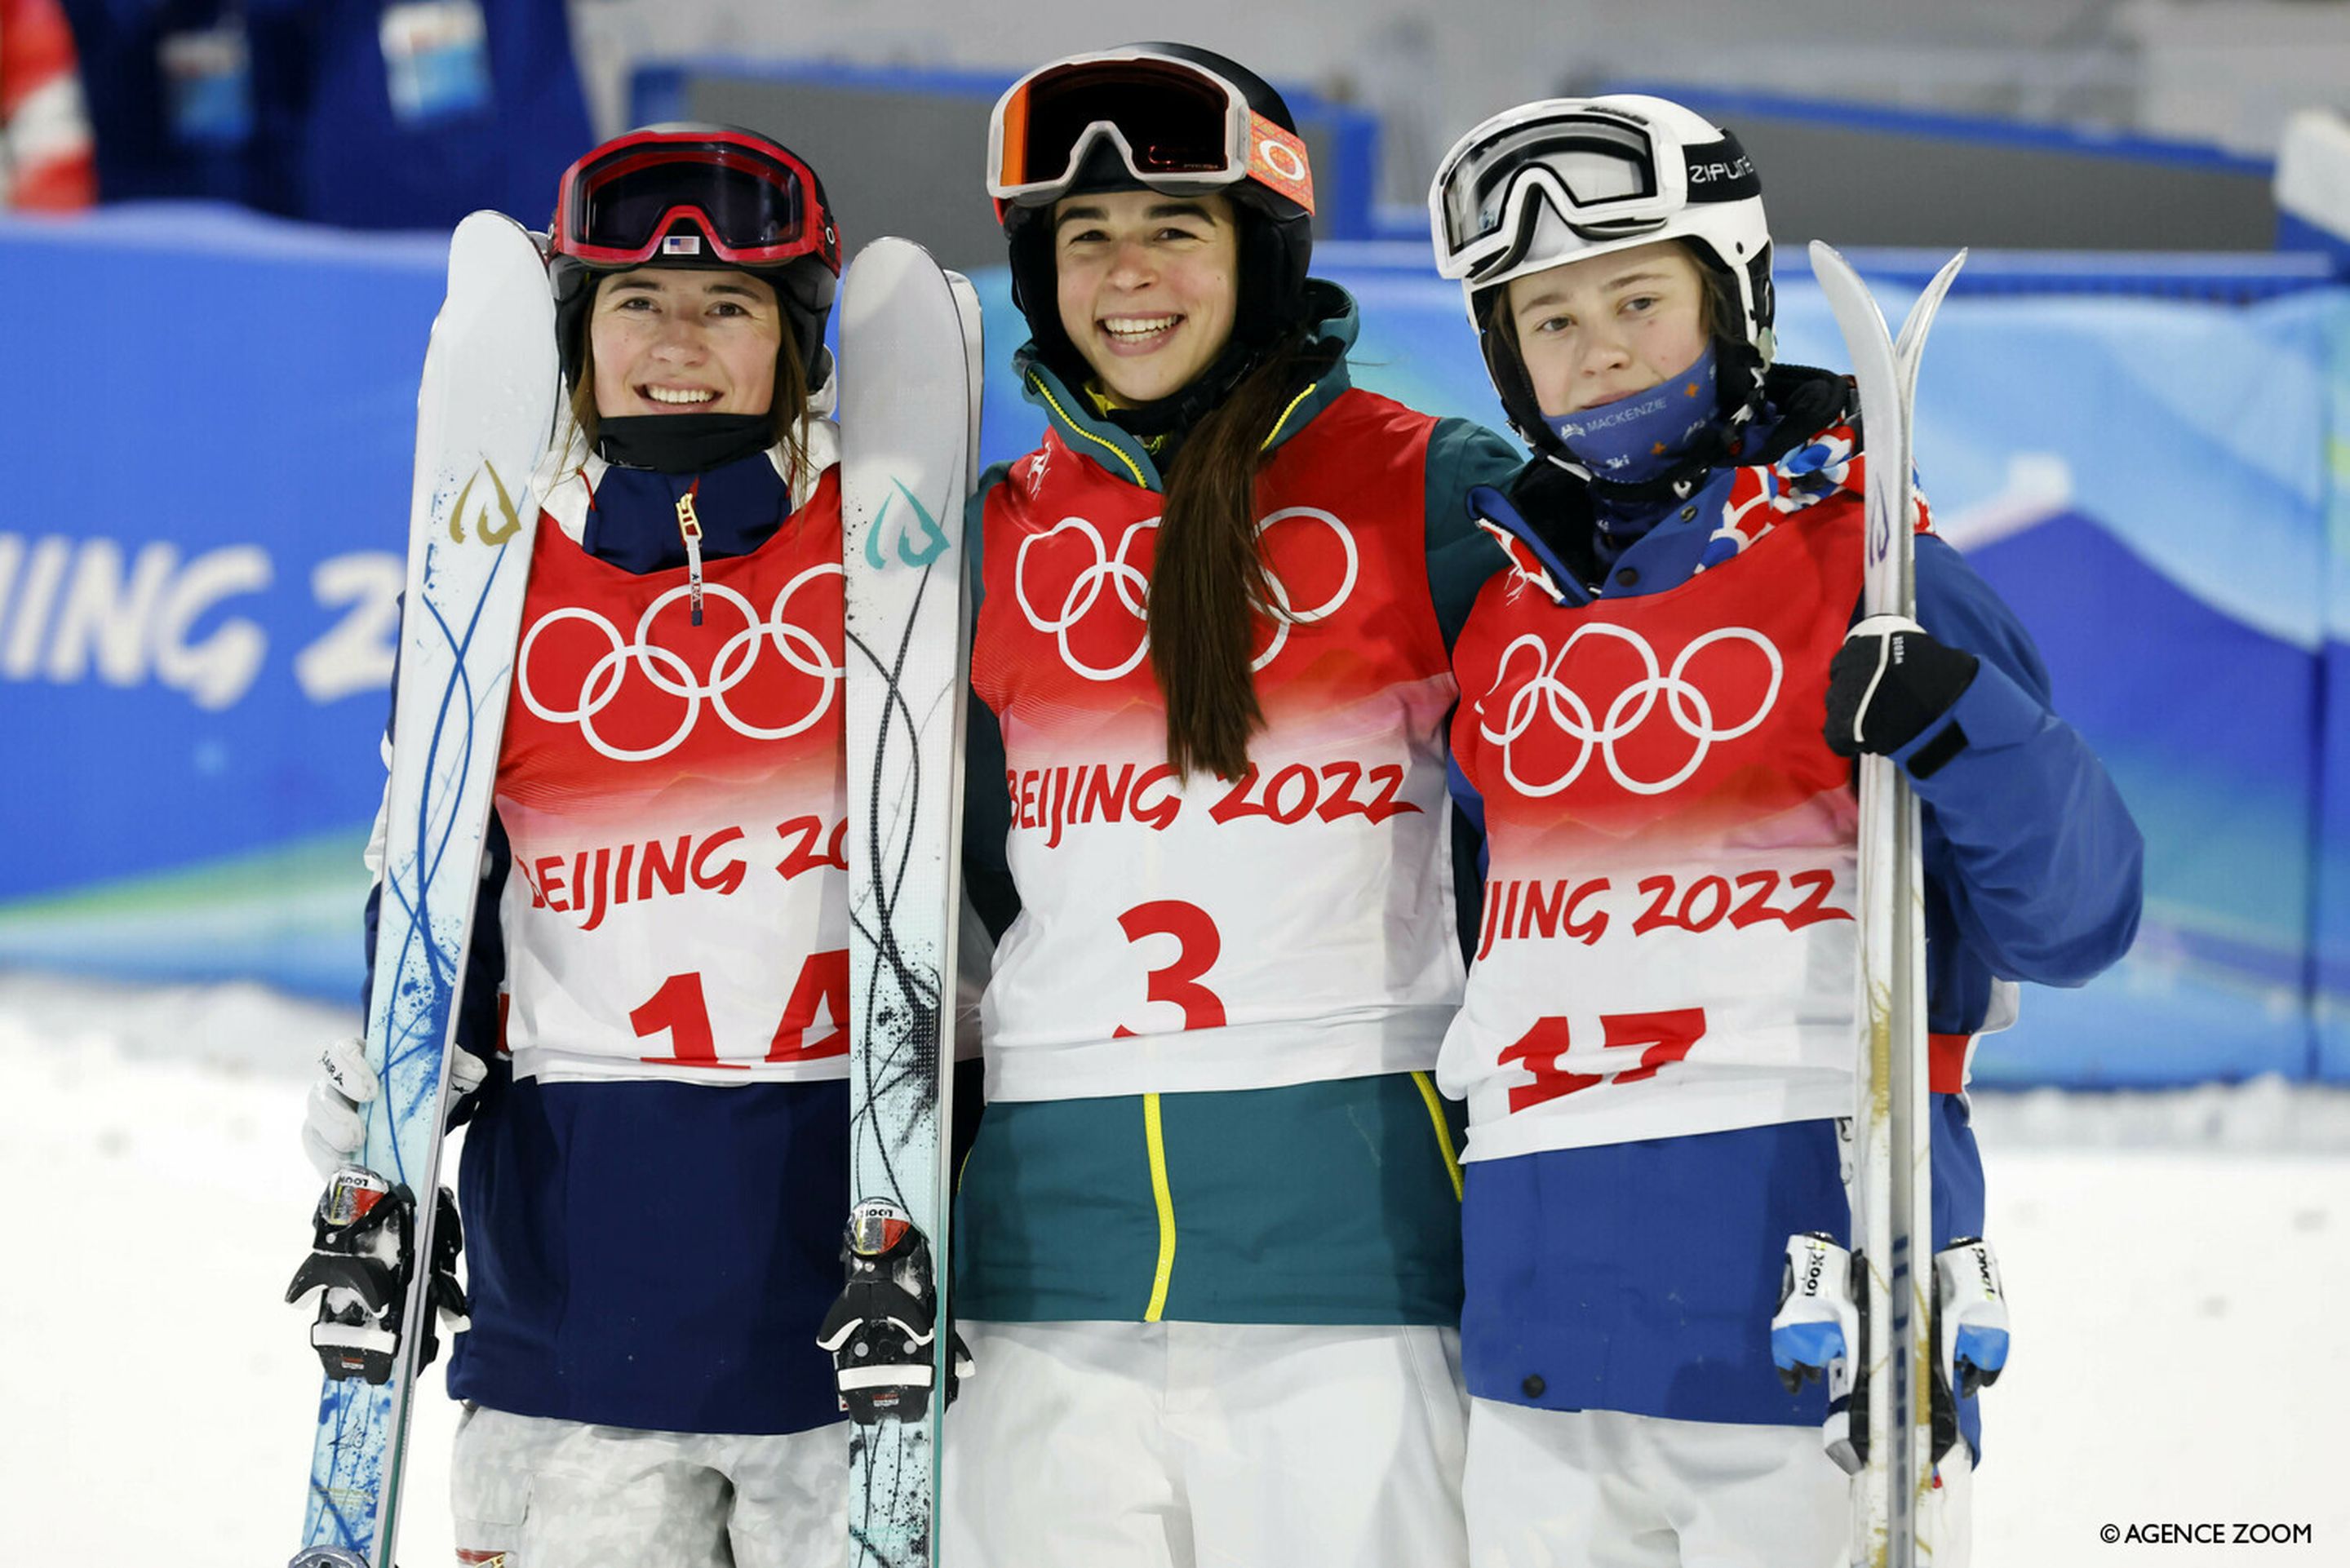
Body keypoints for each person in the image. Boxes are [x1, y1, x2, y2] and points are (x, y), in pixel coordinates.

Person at [1424, 95, 2144, 1566]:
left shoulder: (1877, 567)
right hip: (1537, 1353)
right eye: (1549, 320)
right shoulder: (1503, 619)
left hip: (1812, 1338)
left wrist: (1955, 713)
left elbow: (2080, 920)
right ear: (1506, 361)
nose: (1601, 346)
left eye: (1639, 296)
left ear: (1733, 302)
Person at [946, 42, 1521, 1568]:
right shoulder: (986, 537)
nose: (1128, 275)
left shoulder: (1432, 491)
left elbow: (1581, 797)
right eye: (1086, 239)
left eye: (1174, 231)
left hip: (1350, 1268)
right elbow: (959, 874)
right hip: (1048, 1276)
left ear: (1258, 252)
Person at [300, 122, 857, 1566]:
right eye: (634, 304)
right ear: (576, 336)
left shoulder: (898, 558)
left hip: (850, 1321)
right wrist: (389, 1106)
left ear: (795, 343)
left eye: (729, 306)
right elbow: (430, 895)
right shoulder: (492, 585)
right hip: (568, 1331)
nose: (679, 340)